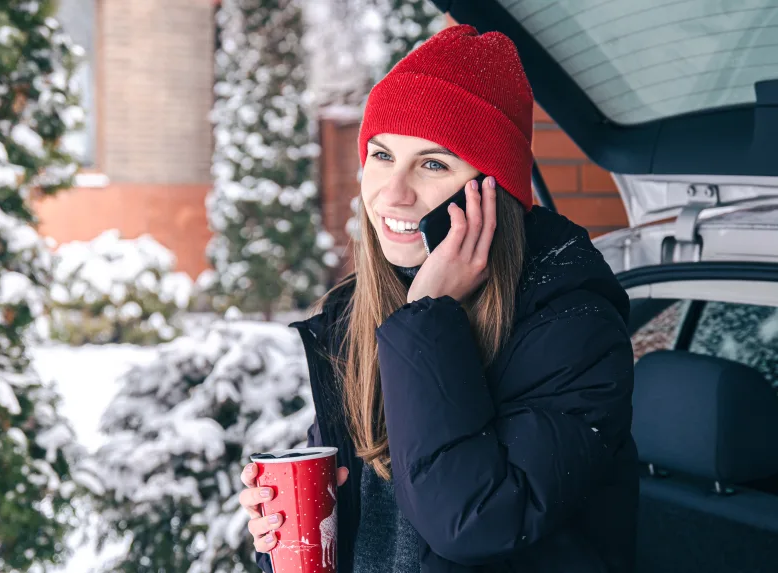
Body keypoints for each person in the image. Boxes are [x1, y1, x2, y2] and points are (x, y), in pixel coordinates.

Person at [239, 24, 638, 573]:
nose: (393, 192)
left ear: (492, 189)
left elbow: (475, 523)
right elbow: (370, 524)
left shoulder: (574, 329)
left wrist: (428, 318)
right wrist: (280, 539)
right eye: (381, 155)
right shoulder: (357, 316)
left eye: (433, 164)